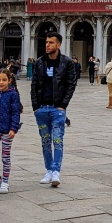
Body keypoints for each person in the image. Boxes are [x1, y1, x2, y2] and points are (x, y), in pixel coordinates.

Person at [30, 32, 78, 187]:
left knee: (57, 140)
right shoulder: (39, 62)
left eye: (51, 42)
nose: (47, 45)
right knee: (45, 142)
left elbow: (71, 84)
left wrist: (63, 104)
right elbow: (34, 85)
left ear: (58, 45)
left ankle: (56, 170)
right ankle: (49, 170)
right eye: (46, 42)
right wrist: (35, 107)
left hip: (57, 109)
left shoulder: (66, 62)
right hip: (42, 109)